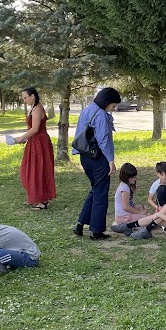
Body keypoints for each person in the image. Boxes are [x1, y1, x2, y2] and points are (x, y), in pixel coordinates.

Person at [72, 87, 122, 240]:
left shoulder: (87, 110)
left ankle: (81, 223)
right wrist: (111, 161)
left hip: (85, 156)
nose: (113, 109)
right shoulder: (101, 115)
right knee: (100, 193)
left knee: (95, 189)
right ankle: (96, 230)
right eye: (113, 105)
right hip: (98, 158)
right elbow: (104, 140)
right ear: (106, 102)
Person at [14, 86, 56, 209]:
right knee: (28, 170)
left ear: (32, 96)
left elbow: (35, 128)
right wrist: (26, 138)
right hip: (33, 142)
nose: (24, 100)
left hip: (40, 142)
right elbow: (31, 130)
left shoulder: (37, 109)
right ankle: (35, 196)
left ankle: (41, 201)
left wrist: (21, 137)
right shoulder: (33, 108)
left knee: (38, 170)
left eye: (25, 97)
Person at [111, 163, 151, 235]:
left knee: (147, 216)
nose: (134, 179)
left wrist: (138, 207)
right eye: (131, 178)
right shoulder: (125, 188)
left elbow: (129, 203)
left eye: (135, 177)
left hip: (124, 215)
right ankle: (125, 226)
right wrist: (139, 212)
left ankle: (130, 226)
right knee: (149, 220)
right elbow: (126, 207)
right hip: (123, 217)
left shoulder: (124, 186)